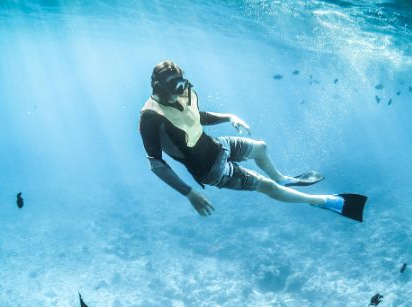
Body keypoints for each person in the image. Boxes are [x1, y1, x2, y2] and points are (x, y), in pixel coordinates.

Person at [139, 60, 366, 221]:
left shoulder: (181, 93)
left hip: (218, 145)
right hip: (210, 170)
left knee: (261, 148)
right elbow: (156, 164)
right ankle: (322, 201)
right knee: (267, 187)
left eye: (181, 83)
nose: (180, 90)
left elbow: (195, 117)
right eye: (173, 86)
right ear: (158, 86)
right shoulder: (150, 117)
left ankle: (283, 179)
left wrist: (229, 116)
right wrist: (189, 193)